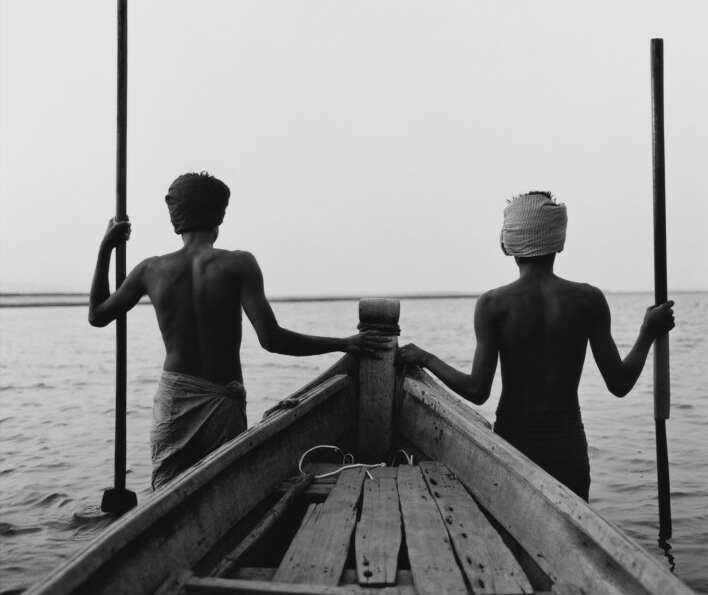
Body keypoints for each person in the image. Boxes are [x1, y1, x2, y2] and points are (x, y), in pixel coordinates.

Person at [89, 171, 387, 489]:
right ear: (218, 216)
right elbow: (272, 339)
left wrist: (105, 249)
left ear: (177, 218)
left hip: (173, 401)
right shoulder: (239, 264)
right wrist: (343, 343)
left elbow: (97, 315)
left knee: (168, 492)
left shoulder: (151, 269)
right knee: (223, 487)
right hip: (223, 401)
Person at [398, 191, 675, 501]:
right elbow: (620, 384)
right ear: (558, 242)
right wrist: (647, 332)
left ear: (509, 245)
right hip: (568, 447)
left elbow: (477, 390)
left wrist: (424, 357)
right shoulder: (589, 299)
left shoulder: (492, 304)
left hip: (515, 445)